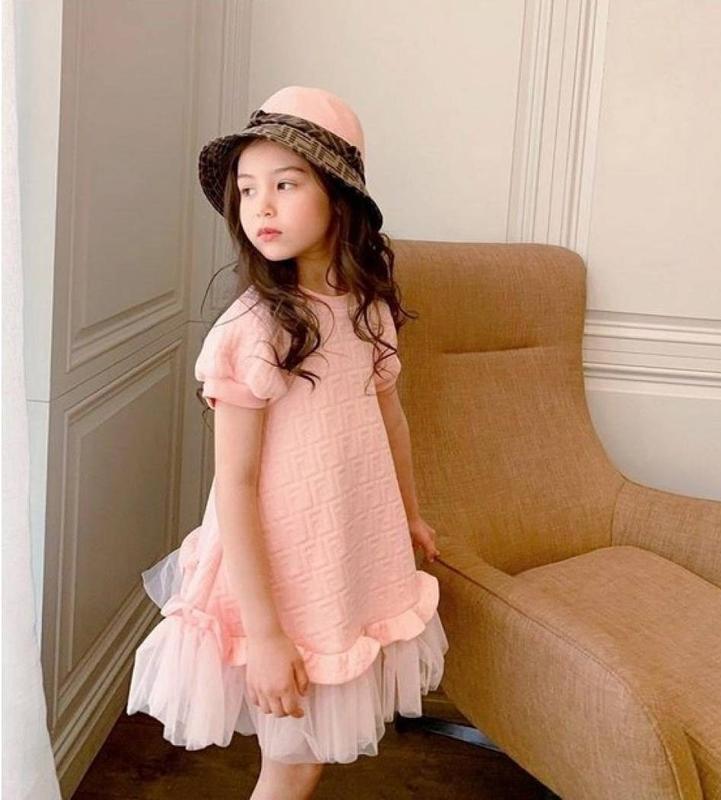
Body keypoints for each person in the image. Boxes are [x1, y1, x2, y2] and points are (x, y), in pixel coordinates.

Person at [126, 85, 449, 800]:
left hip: (343, 551)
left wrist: (409, 514)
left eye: (285, 184)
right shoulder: (253, 330)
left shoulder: (366, 309)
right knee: (295, 758)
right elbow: (236, 485)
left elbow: (388, 421)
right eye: (247, 190)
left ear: (339, 197)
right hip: (278, 571)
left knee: (307, 753)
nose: (261, 207)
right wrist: (266, 634)